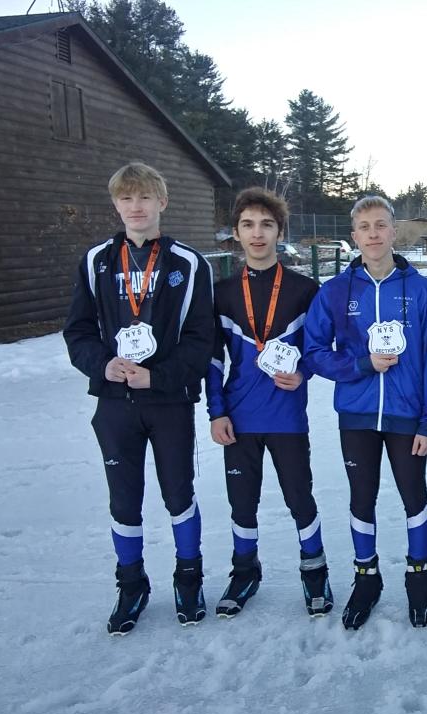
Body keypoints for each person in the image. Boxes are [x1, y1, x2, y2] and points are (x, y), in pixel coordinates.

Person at [63, 162, 214, 634]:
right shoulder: (96, 261)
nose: (136, 206)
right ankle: (131, 584)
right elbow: (78, 331)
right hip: (114, 401)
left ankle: (188, 577)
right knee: (124, 500)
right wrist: (102, 365)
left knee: (178, 494)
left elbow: (200, 338)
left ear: (161, 203)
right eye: (126, 198)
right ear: (115, 204)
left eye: (145, 197)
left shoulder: (188, 264)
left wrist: (161, 378)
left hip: (167, 401)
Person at [304, 195, 427, 630]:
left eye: (381, 226)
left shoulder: (421, 291)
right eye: (365, 227)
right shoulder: (336, 292)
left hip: (407, 416)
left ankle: (420, 576)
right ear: (354, 236)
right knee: (361, 498)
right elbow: (315, 353)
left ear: (393, 231)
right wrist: (361, 365)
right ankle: (367, 577)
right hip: (358, 415)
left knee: (413, 496)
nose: (374, 235)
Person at [207, 187, 332, 619]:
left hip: (287, 417)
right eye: (247, 225)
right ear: (236, 233)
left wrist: (305, 373)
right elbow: (211, 359)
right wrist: (216, 411)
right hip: (238, 418)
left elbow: (318, 349)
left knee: (300, 497)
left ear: (280, 231)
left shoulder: (304, 290)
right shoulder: (221, 293)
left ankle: (314, 569)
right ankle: (245, 572)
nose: (257, 234)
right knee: (242, 500)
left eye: (266, 225)